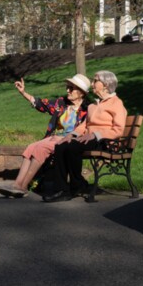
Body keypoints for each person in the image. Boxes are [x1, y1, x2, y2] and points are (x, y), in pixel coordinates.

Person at [0, 73, 91, 198]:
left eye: (71, 88)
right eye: (67, 87)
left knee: (41, 149)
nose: (68, 90)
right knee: (31, 147)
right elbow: (42, 104)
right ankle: (17, 184)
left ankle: (23, 186)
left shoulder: (87, 109)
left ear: (81, 92)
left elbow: (86, 128)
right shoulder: (61, 103)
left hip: (67, 141)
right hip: (52, 138)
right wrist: (23, 92)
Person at [43, 70, 127, 202]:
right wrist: (72, 134)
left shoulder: (116, 103)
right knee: (61, 146)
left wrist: (95, 134)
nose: (92, 83)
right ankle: (62, 189)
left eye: (95, 81)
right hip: (88, 139)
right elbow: (84, 125)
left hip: (105, 142)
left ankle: (76, 185)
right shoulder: (93, 105)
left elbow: (118, 130)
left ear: (105, 85)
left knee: (72, 148)